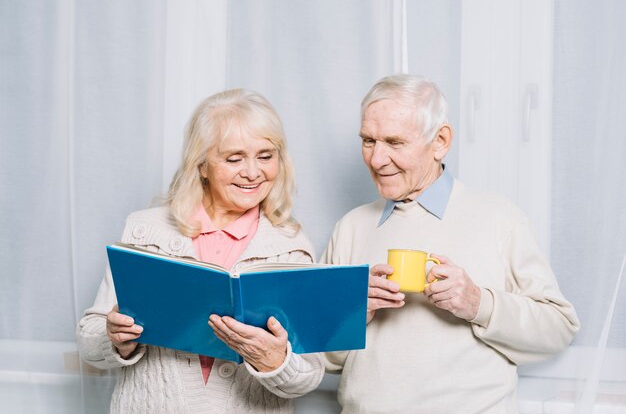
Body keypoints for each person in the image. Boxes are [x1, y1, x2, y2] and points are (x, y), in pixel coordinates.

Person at [322, 75, 580, 413]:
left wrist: (479, 304)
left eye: (394, 142)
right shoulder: (351, 227)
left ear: (440, 141)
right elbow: (317, 355)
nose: (376, 159)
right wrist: (354, 313)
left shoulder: (500, 219)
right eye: (368, 141)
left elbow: (558, 328)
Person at [76, 89, 324, 413]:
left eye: (265, 155)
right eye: (234, 158)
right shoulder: (146, 231)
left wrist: (276, 360)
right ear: (202, 165)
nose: (252, 172)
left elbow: (310, 373)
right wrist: (115, 338)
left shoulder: (292, 247)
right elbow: (89, 340)